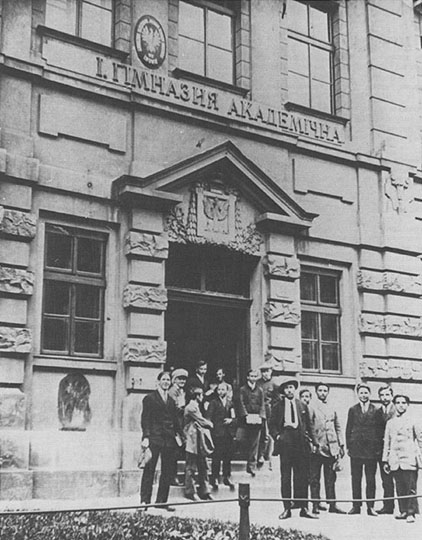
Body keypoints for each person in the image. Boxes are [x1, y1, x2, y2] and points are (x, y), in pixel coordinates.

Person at [269, 377, 317, 520]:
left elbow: (309, 425)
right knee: (286, 477)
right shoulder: (278, 406)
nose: (289, 390)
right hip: (285, 443)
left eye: (291, 387)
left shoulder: (302, 405)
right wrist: (278, 436)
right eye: (287, 388)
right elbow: (271, 425)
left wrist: (314, 443)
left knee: (302, 476)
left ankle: (303, 507)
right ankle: (286, 509)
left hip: (300, 443)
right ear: (283, 391)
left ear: (294, 389)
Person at [140, 371, 182, 512]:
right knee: (149, 470)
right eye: (163, 379)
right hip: (154, 438)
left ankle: (161, 501)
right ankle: (144, 501)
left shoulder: (171, 400)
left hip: (169, 440)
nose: (165, 382)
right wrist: (146, 437)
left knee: (167, 472)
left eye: (168, 380)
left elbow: (175, 421)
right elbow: (145, 419)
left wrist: (180, 436)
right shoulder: (150, 398)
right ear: (158, 381)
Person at [382, 394, 422, 524]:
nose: (400, 405)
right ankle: (403, 510)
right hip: (395, 459)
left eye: (403, 402)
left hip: (409, 458)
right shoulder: (390, 422)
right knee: (399, 487)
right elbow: (386, 442)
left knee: (410, 487)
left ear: (407, 405)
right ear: (394, 404)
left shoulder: (413, 420)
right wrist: (385, 460)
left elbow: (420, 440)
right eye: (398, 402)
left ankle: (411, 512)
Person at [345, 383, 384, 516]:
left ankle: (370, 506)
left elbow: (380, 431)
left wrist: (378, 449)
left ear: (369, 394)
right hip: (356, 450)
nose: (363, 395)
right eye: (361, 393)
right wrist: (349, 446)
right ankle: (356, 506)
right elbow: (348, 429)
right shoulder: (352, 409)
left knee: (370, 479)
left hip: (371, 451)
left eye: (366, 393)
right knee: (356, 479)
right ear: (358, 394)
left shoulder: (376, 410)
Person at [309, 382, 346, 514]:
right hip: (317, 448)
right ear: (316, 392)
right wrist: (313, 444)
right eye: (320, 390)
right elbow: (309, 427)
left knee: (331, 478)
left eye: (325, 390)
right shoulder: (311, 407)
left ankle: (332, 505)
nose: (323, 393)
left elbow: (338, 426)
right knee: (314, 478)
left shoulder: (332, 407)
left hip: (331, 447)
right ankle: (315, 504)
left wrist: (341, 444)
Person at [184, 386, 214, 501]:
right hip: (192, 440)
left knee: (203, 465)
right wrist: (210, 424)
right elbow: (202, 421)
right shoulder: (191, 407)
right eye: (201, 395)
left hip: (199, 440)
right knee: (191, 466)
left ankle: (205, 491)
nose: (202, 398)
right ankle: (191, 492)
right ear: (197, 396)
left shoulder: (196, 406)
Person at [206, 381, 236, 490]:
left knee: (227, 456)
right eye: (219, 389)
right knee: (216, 456)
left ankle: (227, 476)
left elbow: (235, 417)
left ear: (227, 391)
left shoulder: (230, 403)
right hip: (217, 433)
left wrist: (231, 420)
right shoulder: (213, 403)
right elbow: (208, 417)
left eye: (223, 389)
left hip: (228, 434)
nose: (221, 391)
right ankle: (214, 477)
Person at [238, 369, 266, 476]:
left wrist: (261, 416)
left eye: (255, 376)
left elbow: (262, 404)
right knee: (241, 439)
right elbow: (241, 403)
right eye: (251, 376)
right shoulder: (242, 390)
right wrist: (245, 415)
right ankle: (244, 456)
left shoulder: (260, 390)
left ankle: (251, 466)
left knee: (255, 442)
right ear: (247, 377)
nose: (253, 378)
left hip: (257, 419)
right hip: (245, 419)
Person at [377, 384, 396, 514]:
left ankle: (406, 507)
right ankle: (388, 506)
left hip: (396, 450)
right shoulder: (378, 412)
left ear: (391, 395)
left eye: (387, 394)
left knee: (401, 479)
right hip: (382, 450)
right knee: (386, 480)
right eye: (382, 395)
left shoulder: (396, 411)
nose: (385, 397)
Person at [168, 368, 188, 486]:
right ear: (174, 380)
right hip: (174, 425)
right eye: (179, 379)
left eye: (184, 379)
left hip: (180, 424)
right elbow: (174, 409)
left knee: (177, 451)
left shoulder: (181, 391)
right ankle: (172, 477)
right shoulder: (173, 391)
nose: (182, 381)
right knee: (173, 452)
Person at [257, 364, 277, 469]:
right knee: (257, 433)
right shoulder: (257, 383)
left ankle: (264, 455)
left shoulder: (274, 384)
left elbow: (277, 400)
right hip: (257, 411)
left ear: (271, 371)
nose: (265, 373)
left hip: (269, 412)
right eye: (263, 371)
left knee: (266, 434)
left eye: (267, 371)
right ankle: (257, 455)